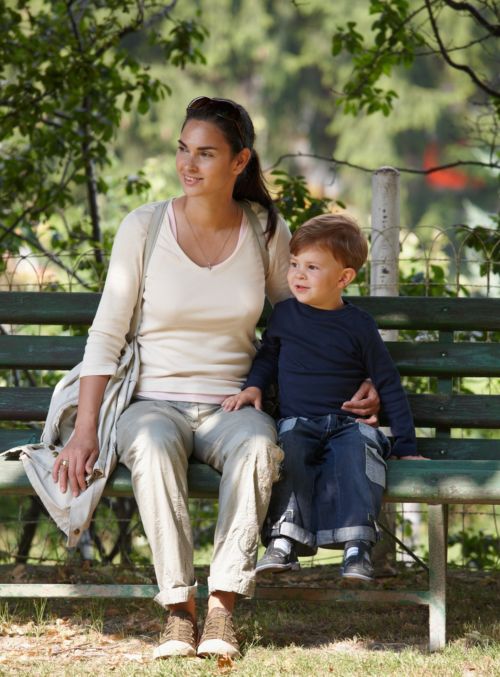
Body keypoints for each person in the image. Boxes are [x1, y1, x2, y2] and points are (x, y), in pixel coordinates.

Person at [52, 97, 380, 660]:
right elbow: (105, 335)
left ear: (239, 161)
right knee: (152, 447)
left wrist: (362, 377)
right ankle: (179, 612)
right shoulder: (145, 226)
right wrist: (84, 432)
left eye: (206, 153)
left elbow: (298, 321)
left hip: (232, 406)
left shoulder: (264, 230)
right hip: (152, 402)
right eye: (184, 149)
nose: (189, 163)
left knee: (258, 445)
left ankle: (222, 610)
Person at [223, 213, 425, 584]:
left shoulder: (359, 325)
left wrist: (406, 444)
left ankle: (356, 548)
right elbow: (267, 356)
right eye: (295, 264)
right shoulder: (284, 316)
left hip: (349, 425)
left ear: (343, 278)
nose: (297, 274)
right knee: (288, 454)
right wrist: (253, 386)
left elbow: (388, 382)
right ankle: (283, 541)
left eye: (311, 267)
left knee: (356, 456)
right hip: (298, 422)